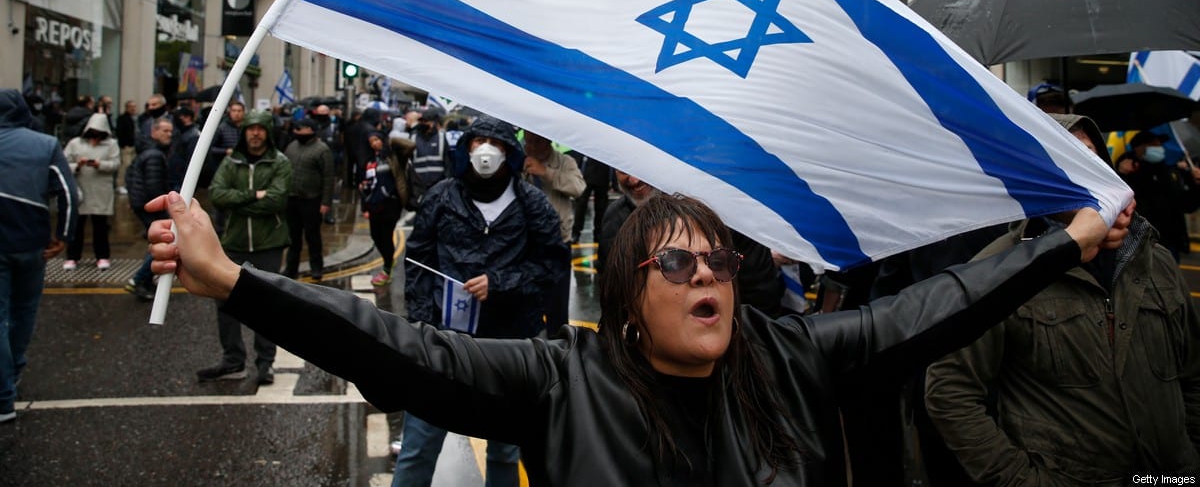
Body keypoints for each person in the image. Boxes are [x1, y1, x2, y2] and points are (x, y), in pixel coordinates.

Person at [148, 186, 1124, 484]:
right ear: (626, 294)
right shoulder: (559, 379)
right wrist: (233, 279)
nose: (707, 275)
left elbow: (938, 304)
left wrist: (1061, 243)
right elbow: (398, 348)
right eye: (677, 263)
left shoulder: (793, 355)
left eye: (719, 262)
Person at [925, 112, 1200, 485]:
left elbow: (1191, 371)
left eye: (1090, 156)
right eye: (1066, 157)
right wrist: (1021, 480)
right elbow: (950, 392)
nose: (1084, 169)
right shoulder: (999, 269)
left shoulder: (1154, 258)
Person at [395, 116, 566, 487]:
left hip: (508, 343)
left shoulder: (530, 202)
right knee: (419, 444)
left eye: (496, 142)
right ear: (466, 147)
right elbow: (417, 262)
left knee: (505, 448)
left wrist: (502, 284)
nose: (486, 149)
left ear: (509, 151)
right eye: (479, 140)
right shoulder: (441, 196)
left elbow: (551, 265)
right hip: (443, 343)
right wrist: (422, 327)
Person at [0, 88, 77, 424]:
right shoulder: (44, 143)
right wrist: (64, 236)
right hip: (33, 241)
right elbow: (69, 195)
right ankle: (13, 371)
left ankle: (3, 398)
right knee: (24, 310)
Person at [202, 108, 292, 385]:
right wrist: (253, 195)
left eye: (260, 128)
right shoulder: (232, 163)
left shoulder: (280, 162)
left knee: (265, 306)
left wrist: (239, 203)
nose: (255, 133)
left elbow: (276, 201)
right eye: (250, 128)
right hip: (235, 242)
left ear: (268, 132)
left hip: (269, 243)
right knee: (227, 303)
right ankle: (233, 360)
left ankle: (265, 363)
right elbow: (216, 195)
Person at [521, 130, 584, 332]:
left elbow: (578, 188)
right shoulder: (519, 160)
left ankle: (559, 350)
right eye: (527, 142)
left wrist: (546, 173)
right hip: (526, 243)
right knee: (528, 304)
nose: (531, 147)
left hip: (558, 242)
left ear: (548, 141)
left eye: (536, 142)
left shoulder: (565, 162)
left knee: (557, 305)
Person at [1118, 128, 1200, 261]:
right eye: (1153, 144)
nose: (1159, 148)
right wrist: (1122, 175)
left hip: (1170, 244)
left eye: (1159, 144)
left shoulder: (1170, 173)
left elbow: (1186, 205)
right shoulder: (1129, 173)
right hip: (1140, 246)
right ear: (1139, 149)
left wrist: (1196, 186)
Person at [61, 112, 121, 270]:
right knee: (77, 226)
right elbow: (63, 164)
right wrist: (78, 166)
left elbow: (115, 164)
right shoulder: (75, 143)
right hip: (80, 188)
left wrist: (99, 164)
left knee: (100, 226)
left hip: (101, 190)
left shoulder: (111, 144)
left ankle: (102, 256)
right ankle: (72, 257)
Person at [124, 117, 175, 300]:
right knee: (165, 240)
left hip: (142, 203)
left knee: (158, 242)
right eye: (164, 131)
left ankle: (145, 282)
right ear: (154, 132)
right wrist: (165, 208)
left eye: (170, 131)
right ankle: (138, 280)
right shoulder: (154, 154)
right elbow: (154, 187)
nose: (169, 134)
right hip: (150, 205)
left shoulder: (149, 151)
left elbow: (130, 175)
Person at [282, 119, 335, 281]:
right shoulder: (291, 147)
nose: (299, 132)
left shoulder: (322, 150)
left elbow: (328, 177)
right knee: (293, 237)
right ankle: (291, 269)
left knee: (313, 237)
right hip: (292, 199)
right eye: (298, 129)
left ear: (312, 130)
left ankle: (316, 268)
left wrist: (326, 203)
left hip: (312, 200)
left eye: (303, 129)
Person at [358, 131, 411, 287]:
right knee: (375, 235)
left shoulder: (394, 156)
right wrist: (364, 202)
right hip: (374, 204)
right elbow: (367, 183)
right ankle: (389, 260)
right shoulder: (370, 160)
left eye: (377, 140)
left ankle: (387, 269)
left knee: (386, 236)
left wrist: (391, 141)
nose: (374, 143)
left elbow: (410, 146)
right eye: (371, 141)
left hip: (391, 203)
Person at [597, 169, 658, 272]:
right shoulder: (614, 216)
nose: (634, 180)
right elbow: (608, 273)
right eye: (624, 171)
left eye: (641, 167)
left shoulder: (684, 210)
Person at [406, 106, 452, 208]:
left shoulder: (441, 138)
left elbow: (448, 164)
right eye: (422, 121)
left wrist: (447, 187)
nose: (424, 124)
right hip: (419, 189)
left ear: (434, 123)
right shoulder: (412, 137)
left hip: (438, 188)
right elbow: (409, 166)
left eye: (426, 121)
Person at [570, 152, 613, 244]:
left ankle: (598, 233)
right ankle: (576, 232)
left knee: (601, 207)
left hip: (602, 172)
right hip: (586, 173)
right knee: (581, 205)